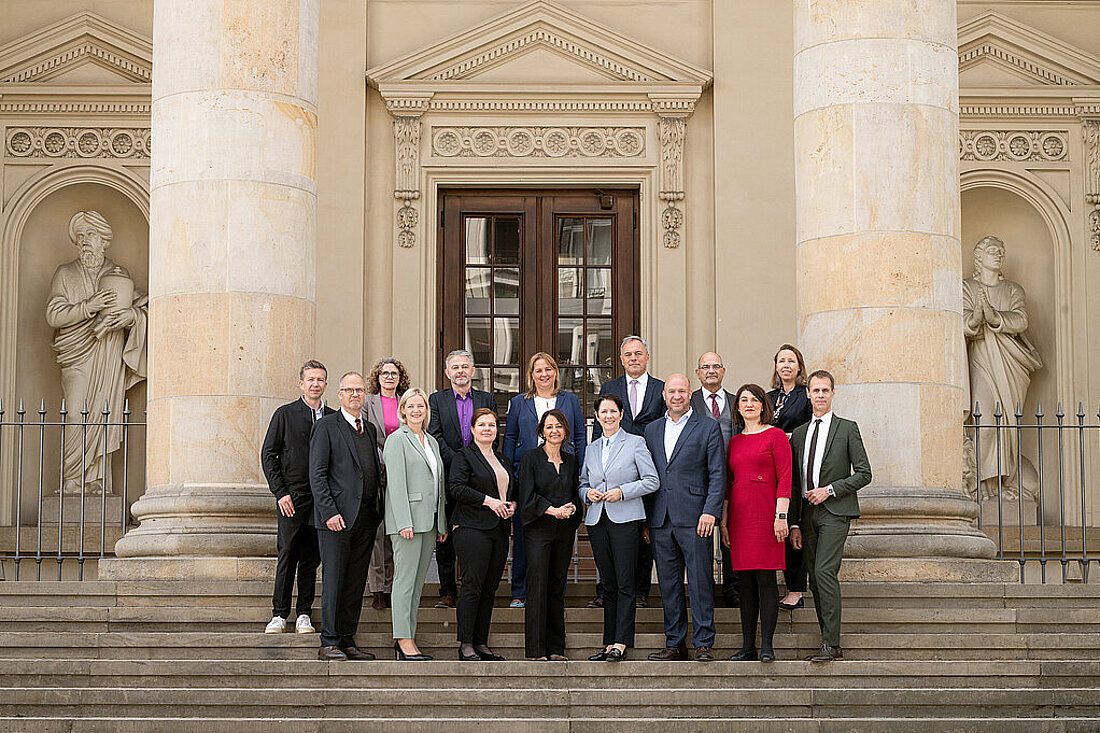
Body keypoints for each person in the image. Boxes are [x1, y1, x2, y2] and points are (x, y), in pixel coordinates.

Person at [46, 210, 147, 494]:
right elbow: (53, 314)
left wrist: (130, 316)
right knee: (77, 413)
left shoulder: (118, 275)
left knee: (104, 412)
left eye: (90, 235)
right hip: (76, 354)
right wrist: (89, 306)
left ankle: (96, 479)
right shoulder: (65, 274)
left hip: (109, 352)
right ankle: (73, 479)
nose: (84, 242)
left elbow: (142, 307)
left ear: (104, 241)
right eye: (80, 237)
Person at [789, 370, 872, 662]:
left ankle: (832, 642)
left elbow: (864, 473)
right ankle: (829, 642)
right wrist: (795, 523)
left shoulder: (847, 428)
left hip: (835, 511)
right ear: (808, 394)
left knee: (824, 571)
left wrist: (831, 490)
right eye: (816, 390)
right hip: (806, 514)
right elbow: (795, 483)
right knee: (814, 577)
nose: (821, 395)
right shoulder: (799, 434)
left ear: (833, 393)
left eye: (826, 390)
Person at [643, 374, 725, 662]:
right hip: (660, 518)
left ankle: (703, 642)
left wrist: (710, 511)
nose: (676, 396)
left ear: (690, 393)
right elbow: (648, 475)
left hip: (696, 517)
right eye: (671, 391)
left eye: (682, 391)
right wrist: (645, 520)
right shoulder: (651, 430)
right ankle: (675, 642)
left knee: (701, 581)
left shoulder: (707, 426)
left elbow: (717, 474)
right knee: (668, 583)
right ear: (664, 395)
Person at [309, 371, 384, 661]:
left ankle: (347, 639)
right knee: (334, 580)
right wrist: (329, 512)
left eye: (359, 390)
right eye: (349, 390)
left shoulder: (370, 430)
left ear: (364, 395)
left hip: (366, 518)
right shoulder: (327, 426)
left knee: (355, 582)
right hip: (336, 520)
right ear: (339, 394)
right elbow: (317, 474)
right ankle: (329, 641)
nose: (355, 394)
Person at [579, 393, 659, 662]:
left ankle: (621, 642)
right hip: (597, 521)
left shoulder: (636, 443)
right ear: (597, 416)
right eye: (603, 412)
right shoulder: (592, 448)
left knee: (626, 583)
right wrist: (586, 493)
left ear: (621, 414)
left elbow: (652, 480)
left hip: (626, 520)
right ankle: (607, 643)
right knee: (608, 585)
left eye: (613, 411)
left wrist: (622, 492)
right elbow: (582, 482)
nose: (608, 416)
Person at [502, 352, 586, 608]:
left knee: (558, 538)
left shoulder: (569, 400)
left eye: (548, 369)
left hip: (562, 475)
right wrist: (509, 474)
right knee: (525, 537)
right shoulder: (519, 402)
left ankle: (554, 593)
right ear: (531, 375)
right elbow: (510, 437)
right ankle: (520, 591)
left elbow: (580, 436)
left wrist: (580, 470)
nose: (544, 374)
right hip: (527, 477)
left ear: (555, 373)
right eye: (538, 370)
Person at [588, 336, 664, 609]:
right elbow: (600, 429)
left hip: (647, 467)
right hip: (612, 469)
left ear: (647, 357)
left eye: (638, 353)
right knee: (608, 532)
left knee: (643, 530)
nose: (634, 358)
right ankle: (604, 590)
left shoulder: (661, 389)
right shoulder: (609, 387)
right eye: (628, 354)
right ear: (621, 359)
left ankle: (640, 590)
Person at [720, 384, 792, 663]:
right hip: (739, 517)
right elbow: (728, 484)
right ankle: (747, 645)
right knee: (745, 582)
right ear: (737, 408)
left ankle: (767, 646)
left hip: (768, 515)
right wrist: (724, 522)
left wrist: (781, 515)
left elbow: (785, 477)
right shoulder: (735, 442)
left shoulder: (775, 436)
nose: (749, 404)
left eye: (754, 400)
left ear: (763, 405)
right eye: (743, 400)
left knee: (766, 579)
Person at [260, 360, 333, 635]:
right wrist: (281, 492)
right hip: (292, 497)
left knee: (311, 559)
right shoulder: (285, 414)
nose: (315, 384)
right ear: (301, 384)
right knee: (288, 553)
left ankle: (304, 613)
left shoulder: (332, 418)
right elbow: (269, 455)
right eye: (310, 379)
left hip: (321, 501)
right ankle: (279, 614)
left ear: (326, 384)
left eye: (320, 379)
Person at [428, 349, 497, 609]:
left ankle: (474, 586)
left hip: (479, 478)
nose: (460, 371)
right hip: (448, 476)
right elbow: (435, 435)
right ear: (447, 373)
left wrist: (473, 464)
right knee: (445, 534)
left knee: (477, 533)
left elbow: (491, 432)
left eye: (464, 366)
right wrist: (460, 462)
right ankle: (447, 590)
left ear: (473, 371)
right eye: (455, 367)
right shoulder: (437, 400)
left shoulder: (486, 399)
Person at [383, 388, 448, 661]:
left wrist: (441, 522)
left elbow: (438, 485)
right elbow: (395, 486)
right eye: (411, 406)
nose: (416, 410)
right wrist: (403, 522)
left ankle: (410, 635)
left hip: (429, 521)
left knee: (418, 584)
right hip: (407, 524)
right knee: (404, 582)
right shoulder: (397, 440)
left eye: (421, 406)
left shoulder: (431, 441)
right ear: (403, 410)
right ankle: (403, 640)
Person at [447, 408, 516, 661]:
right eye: (482, 424)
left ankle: (481, 642)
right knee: (472, 586)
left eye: (492, 424)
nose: (488, 428)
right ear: (473, 430)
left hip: (498, 529)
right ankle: (465, 643)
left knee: (489, 588)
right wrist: (490, 501)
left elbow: (511, 491)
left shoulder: (503, 460)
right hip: (471, 528)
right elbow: (456, 488)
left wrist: (512, 504)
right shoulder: (463, 456)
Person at [517, 409, 581, 660]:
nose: (554, 431)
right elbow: (526, 496)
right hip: (538, 530)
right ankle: (535, 649)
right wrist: (552, 510)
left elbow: (575, 492)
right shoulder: (530, 458)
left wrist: (573, 506)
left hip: (563, 531)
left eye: (559, 427)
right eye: (549, 427)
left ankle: (556, 648)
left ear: (565, 431)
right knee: (537, 587)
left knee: (556, 587)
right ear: (541, 431)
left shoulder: (571, 460)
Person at [689, 352, 740, 608]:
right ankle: (705, 590)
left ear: (723, 371)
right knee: (701, 536)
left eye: (716, 366)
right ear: (697, 373)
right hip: (699, 479)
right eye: (705, 367)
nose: (711, 370)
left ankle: (733, 589)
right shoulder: (689, 401)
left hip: (734, 478)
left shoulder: (737, 402)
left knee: (732, 534)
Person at [766, 344, 813, 611]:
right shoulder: (769, 397)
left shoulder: (804, 396)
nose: (786, 365)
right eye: (781, 360)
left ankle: (795, 589)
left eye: (791, 361)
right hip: (770, 466)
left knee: (793, 523)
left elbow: (807, 430)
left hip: (795, 465)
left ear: (799, 367)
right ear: (775, 366)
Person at [362, 357, 408, 611]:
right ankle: (377, 588)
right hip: (378, 472)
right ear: (377, 378)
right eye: (384, 373)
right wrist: (385, 459)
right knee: (378, 534)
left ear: (400, 378)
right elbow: (368, 437)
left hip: (401, 474)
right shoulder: (369, 402)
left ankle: (392, 586)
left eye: (394, 374)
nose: (389, 377)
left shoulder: (406, 402)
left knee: (397, 532)